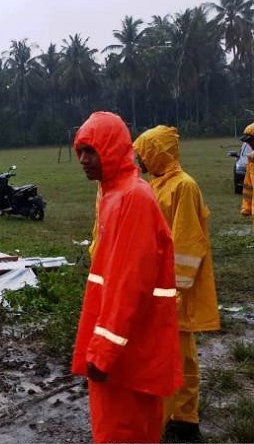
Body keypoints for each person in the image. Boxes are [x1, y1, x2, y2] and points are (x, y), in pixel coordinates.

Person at [71, 112, 182, 443]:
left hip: (126, 357)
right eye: (80, 152)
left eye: (91, 151)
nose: (84, 160)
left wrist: (104, 350)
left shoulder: (132, 199)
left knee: (121, 433)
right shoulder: (115, 195)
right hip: (129, 350)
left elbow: (128, 285)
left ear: (113, 149)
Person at [133, 125, 220, 441]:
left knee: (174, 359)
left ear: (159, 153)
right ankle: (183, 418)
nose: (140, 160)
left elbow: (187, 243)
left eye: (145, 153)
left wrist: (174, 291)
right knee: (179, 356)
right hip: (164, 288)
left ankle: (172, 420)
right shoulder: (159, 185)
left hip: (174, 290)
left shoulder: (183, 187)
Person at [241, 122, 254, 233]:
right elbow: (248, 186)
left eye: (250, 140)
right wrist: (247, 207)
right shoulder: (251, 161)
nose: (249, 144)